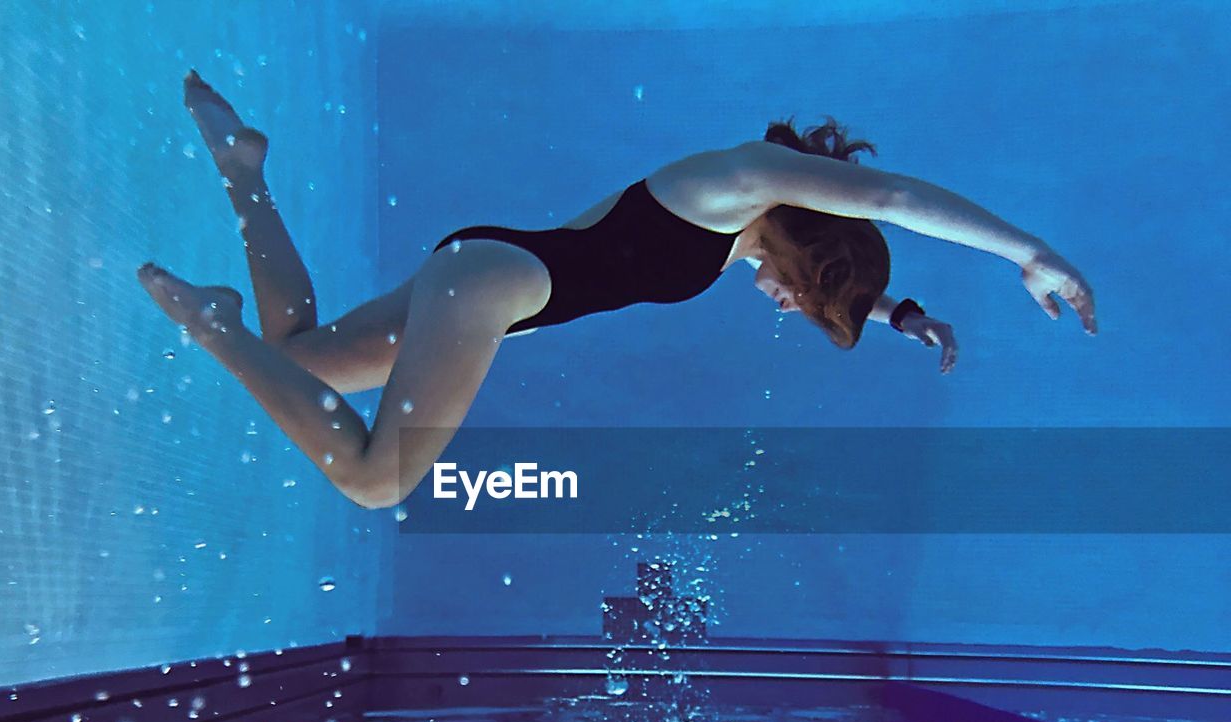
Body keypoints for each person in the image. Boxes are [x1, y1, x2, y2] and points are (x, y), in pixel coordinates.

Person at [139, 72, 1095, 509]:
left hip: (484, 272)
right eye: (795, 298)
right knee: (374, 477)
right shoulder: (738, 181)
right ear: (804, 246)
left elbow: (843, 262)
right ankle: (213, 325)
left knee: (303, 359)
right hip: (491, 289)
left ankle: (243, 169)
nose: (779, 305)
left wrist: (901, 317)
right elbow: (887, 195)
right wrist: (1028, 252)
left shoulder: (730, 241)